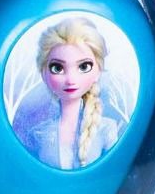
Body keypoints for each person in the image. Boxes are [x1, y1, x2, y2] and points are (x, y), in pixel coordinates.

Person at [11, 18, 121, 169]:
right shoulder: (39, 134)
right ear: (44, 73)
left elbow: (116, 173)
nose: (70, 80)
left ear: (98, 71)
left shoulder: (106, 129)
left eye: (84, 66)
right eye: (57, 68)